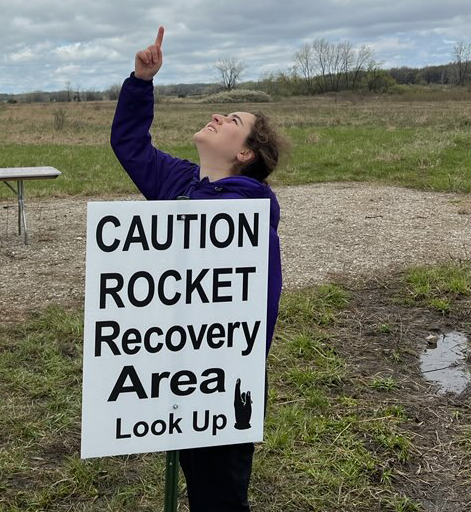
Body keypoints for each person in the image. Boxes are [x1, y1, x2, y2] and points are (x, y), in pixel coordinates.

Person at [110, 26, 284, 512]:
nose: (215, 116)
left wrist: (228, 373)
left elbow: (259, 309)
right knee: (193, 472)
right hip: (177, 366)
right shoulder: (181, 181)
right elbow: (132, 147)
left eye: (231, 119)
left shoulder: (251, 215)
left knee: (219, 492)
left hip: (223, 379)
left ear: (244, 152)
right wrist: (141, 82)